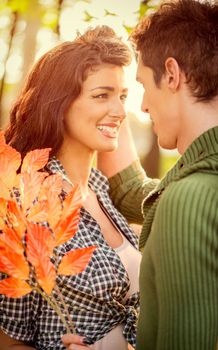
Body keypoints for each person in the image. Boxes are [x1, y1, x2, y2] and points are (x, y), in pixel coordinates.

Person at [63, 0, 218, 349]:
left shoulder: (188, 200)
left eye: (143, 86)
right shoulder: (194, 184)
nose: (143, 106)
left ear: (173, 74)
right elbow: (137, 191)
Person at [0, 26, 142, 350]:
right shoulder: (25, 205)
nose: (121, 112)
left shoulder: (101, 191)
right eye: (102, 95)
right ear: (60, 103)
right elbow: (9, 344)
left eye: (123, 96)